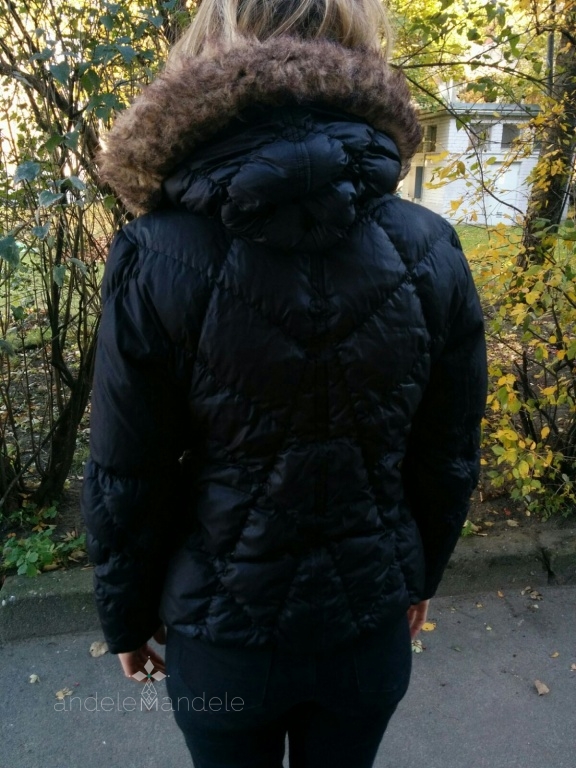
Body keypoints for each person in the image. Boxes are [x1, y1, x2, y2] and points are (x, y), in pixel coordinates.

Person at [81, 0, 487, 766]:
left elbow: (129, 472)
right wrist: (418, 576)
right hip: (368, 629)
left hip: (221, 641)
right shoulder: (430, 246)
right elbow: (448, 454)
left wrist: (126, 619)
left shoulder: (155, 252)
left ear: (210, 45)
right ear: (357, 47)